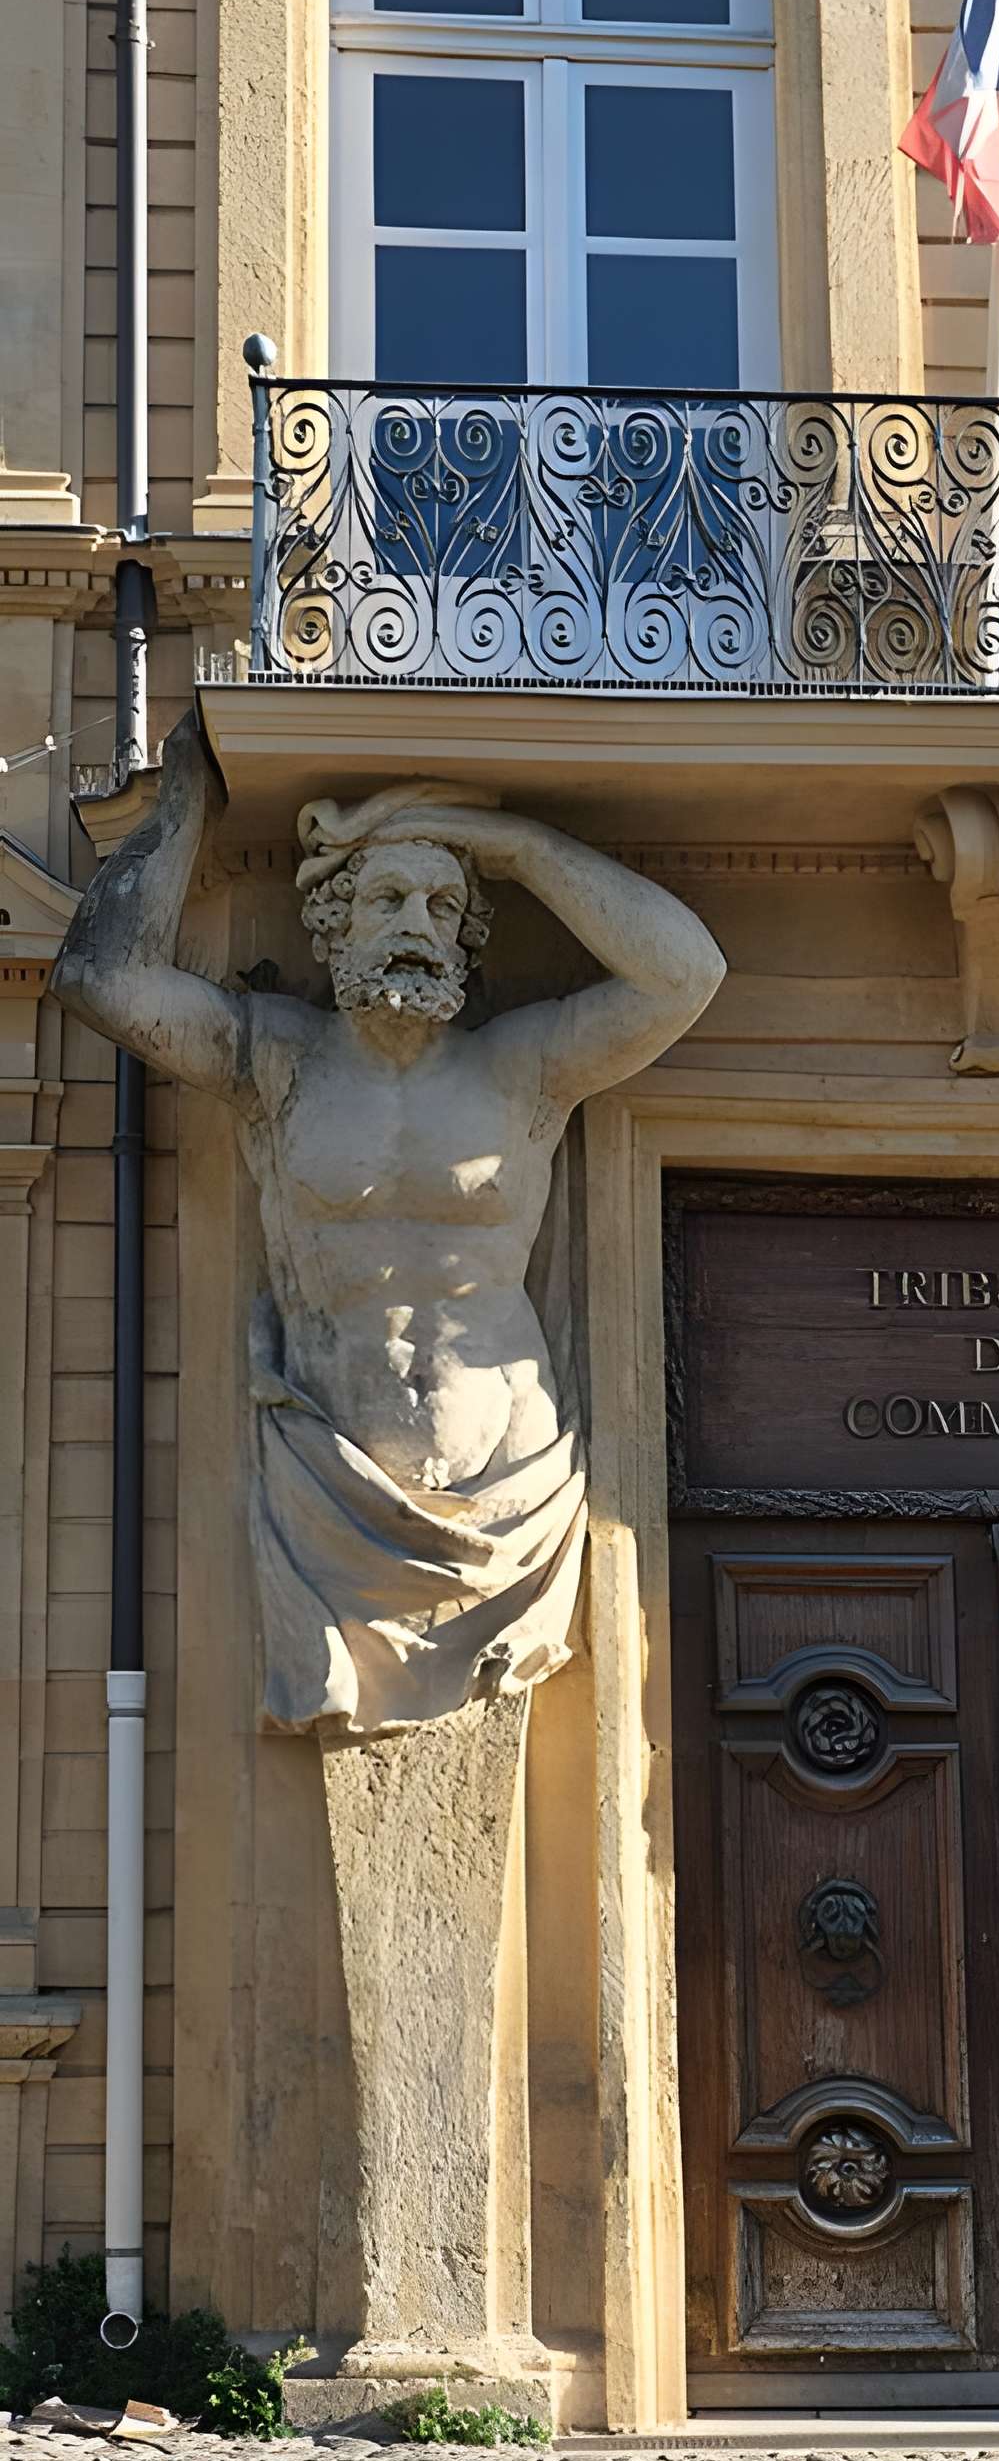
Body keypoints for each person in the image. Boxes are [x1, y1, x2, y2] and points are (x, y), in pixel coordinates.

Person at [54, 713, 726, 1732]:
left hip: (511, 1497)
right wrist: (189, 797)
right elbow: (104, 982)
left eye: (444, 903)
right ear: (333, 927)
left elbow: (687, 974)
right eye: (389, 898)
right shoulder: (273, 1063)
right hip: (329, 1500)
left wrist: (510, 846)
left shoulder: (523, 1070)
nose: (419, 922)